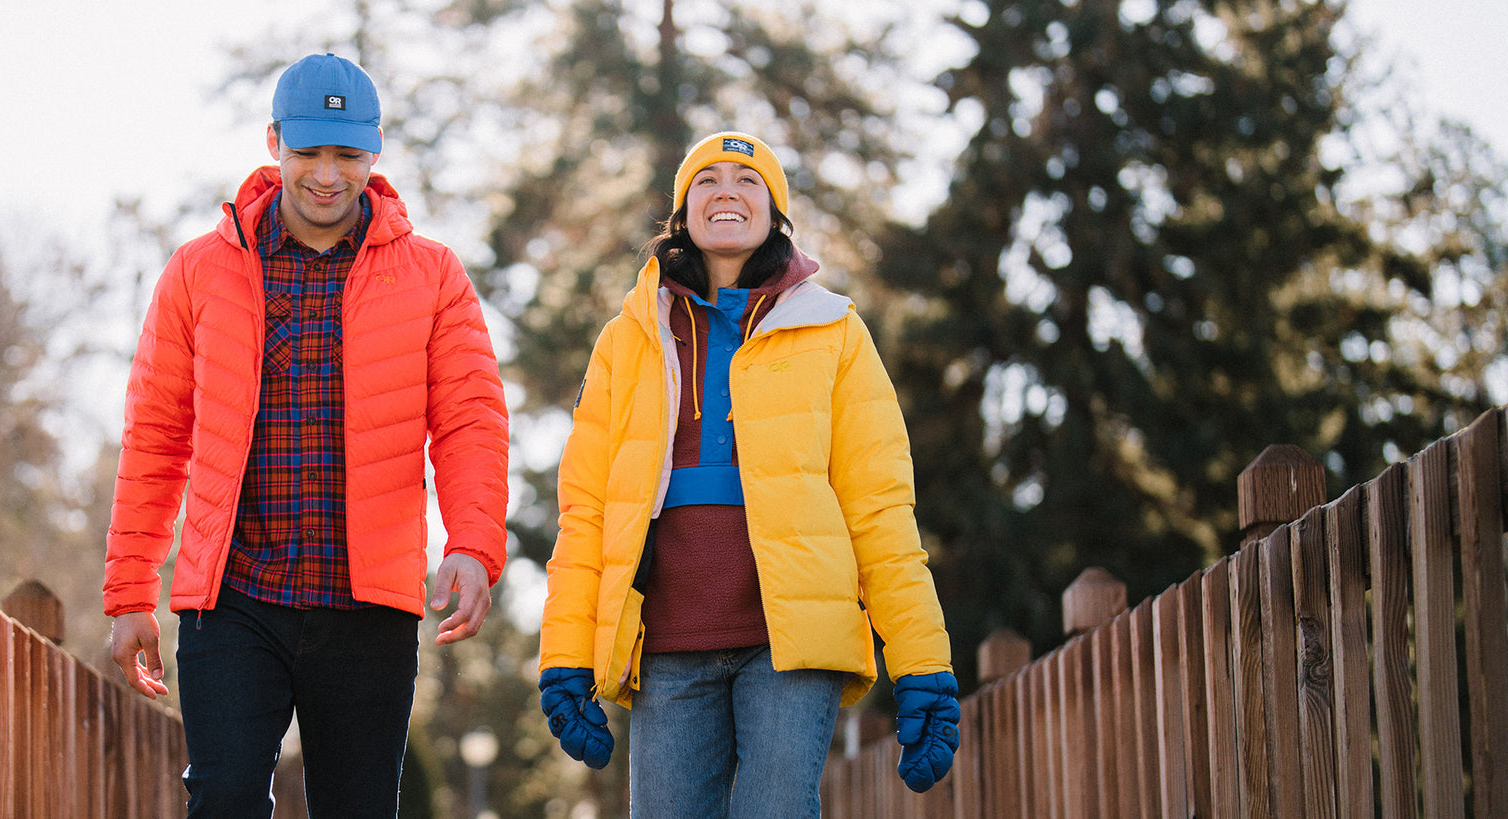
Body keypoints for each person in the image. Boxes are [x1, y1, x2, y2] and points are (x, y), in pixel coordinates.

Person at [102, 53, 510, 818]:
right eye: (309, 152)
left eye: (348, 154)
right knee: (222, 798)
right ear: (274, 143)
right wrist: (130, 591)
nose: (327, 174)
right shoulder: (198, 273)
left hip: (368, 605)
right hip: (234, 598)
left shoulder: (433, 275)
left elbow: (470, 419)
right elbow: (156, 435)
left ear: (376, 150)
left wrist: (472, 542)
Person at [536, 131, 959, 815]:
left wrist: (921, 662)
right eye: (707, 179)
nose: (726, 190)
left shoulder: (836, 333)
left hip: (790, 643)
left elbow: (879, 508)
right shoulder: (627, 340)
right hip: (667, 640)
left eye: (747, 180)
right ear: (682, 214)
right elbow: (587, 508)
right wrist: (565, 653)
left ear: (774, 214)